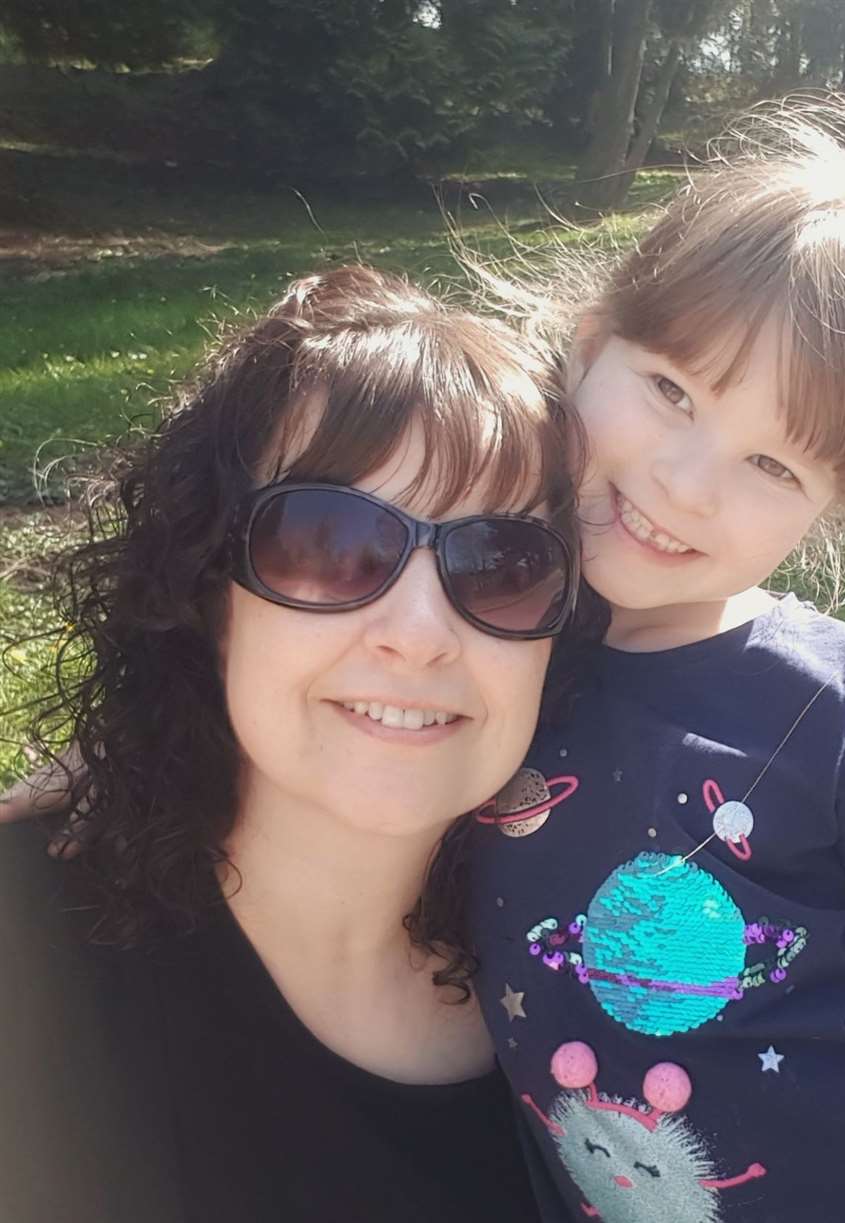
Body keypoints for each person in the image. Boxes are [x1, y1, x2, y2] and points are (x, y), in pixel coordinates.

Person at [467, 101, 845, 1222]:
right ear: (592, 337)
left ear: (831, 512)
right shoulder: (485, 632)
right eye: (670, 390)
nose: (689, 483)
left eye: (772, 464)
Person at [0, 263, 585, 1221]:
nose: (422, 629)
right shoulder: (23, 950)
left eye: (502, 565)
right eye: (328, 542)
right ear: (207, 594)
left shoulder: (596, 991)